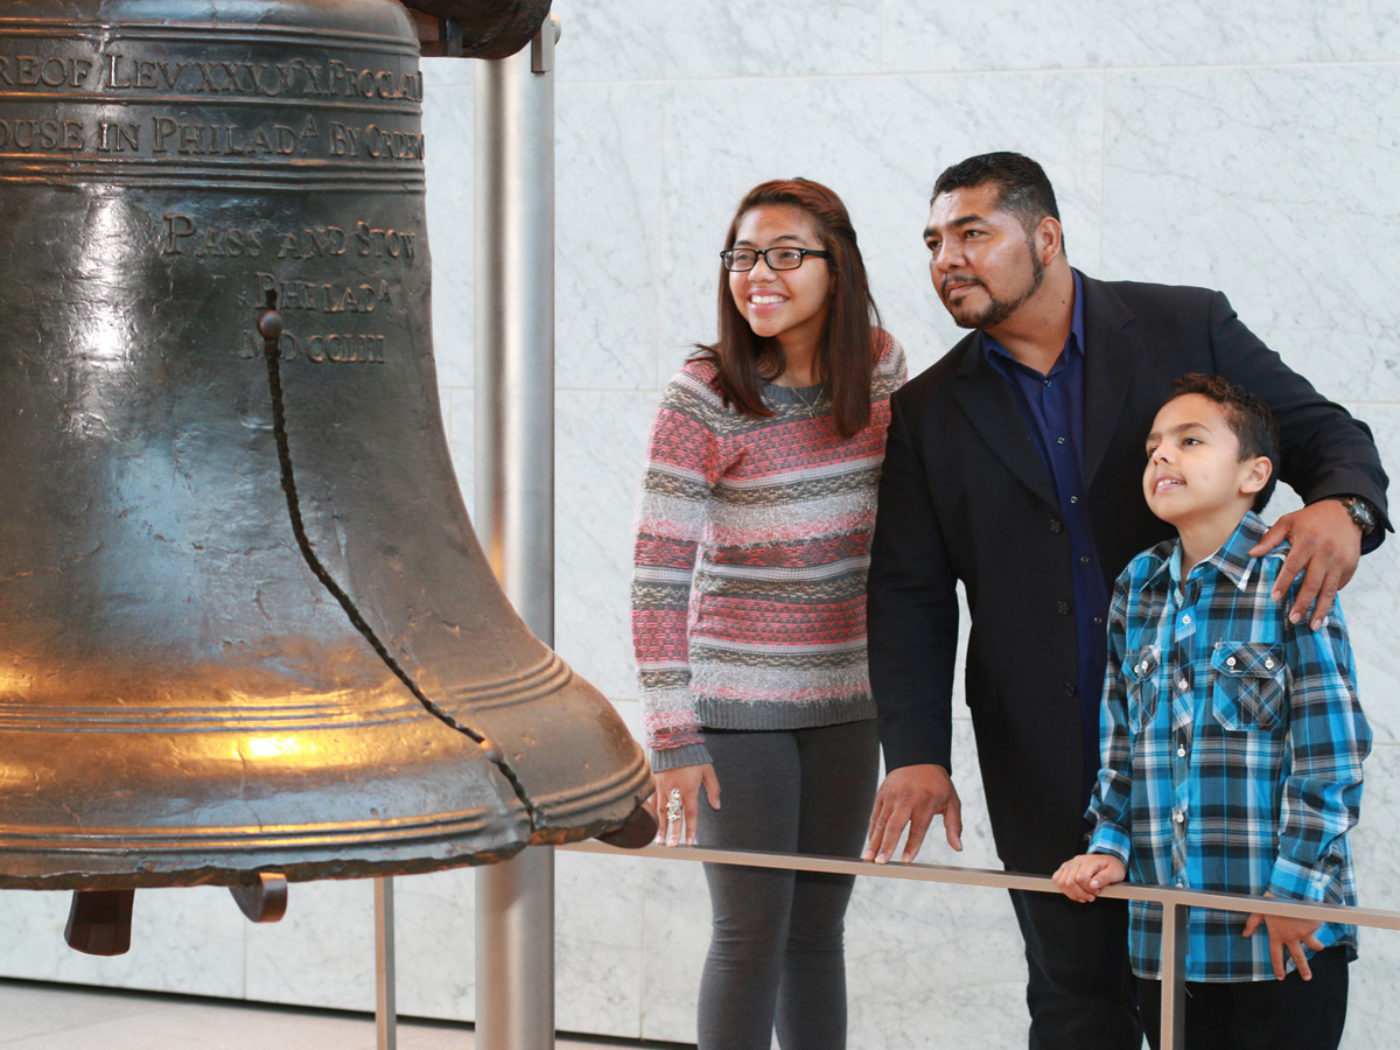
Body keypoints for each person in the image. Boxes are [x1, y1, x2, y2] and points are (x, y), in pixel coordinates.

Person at [862, 151, 1387, 1049]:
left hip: (1213, 769)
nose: (947, 258)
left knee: (1224, 1012)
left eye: (973, 233)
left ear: (1047, 237)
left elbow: (1322, 432)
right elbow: (909, 593)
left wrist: (1346, 507)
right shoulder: (926, 411)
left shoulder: (1188, 324)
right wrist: (915, 753)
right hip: (1042, 761)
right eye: (934, 242)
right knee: (1074, 1004)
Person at [631, 177, 905, 1050]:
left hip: (848, 701)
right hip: (736, 708)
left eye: (786, 254)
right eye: (744, 256)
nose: (759, 273)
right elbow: (658, 573)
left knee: (818, 936)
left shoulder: (881, 369)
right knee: (750, 937)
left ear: (837, 267)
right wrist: (673, 733)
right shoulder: (704, 393)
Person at [1054, 374, 1370, 1050]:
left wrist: (1298, 890)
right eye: (1153, 448)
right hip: (1169, 942)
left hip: (1283, 935)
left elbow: (1331, 749)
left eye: (1190, 441)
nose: (1162, 456)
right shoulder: (1137, 587)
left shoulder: (1290, 573)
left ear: (1255, 473)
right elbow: (1121, 744)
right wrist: (1108, 846)